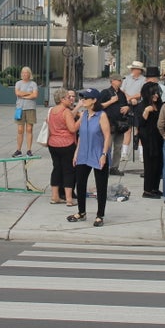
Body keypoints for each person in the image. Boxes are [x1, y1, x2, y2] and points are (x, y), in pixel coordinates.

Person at [68, 88, 112, 227]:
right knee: (80, 183)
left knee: (101, 185)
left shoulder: (101, 115)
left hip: (98, 153)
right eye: (82, 97)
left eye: (86, 98)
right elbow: (80, 135)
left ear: (94, 100)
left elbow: (107, 136)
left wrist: (104, 154)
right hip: (83, 154)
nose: (83, 100)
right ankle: (81, 212)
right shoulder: (84, 114)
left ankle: (100, 215)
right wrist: (76, 153)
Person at [47, 88, 79, 206]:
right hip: (66, 144)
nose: (70, 99)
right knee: (68, 171)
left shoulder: (51, 111)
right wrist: (80, 120)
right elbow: (72, 128)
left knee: (56, 169)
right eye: (67, 97)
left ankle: (55, 196)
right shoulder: (66, 112)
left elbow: (48, 123)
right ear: (61, 99)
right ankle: (69, 199)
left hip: (53, 144)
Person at [98, 73, 129, 176]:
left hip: (120, 124)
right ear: (113, 81)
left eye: (121, 80)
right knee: (107, 146)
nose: (121, 82)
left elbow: (126, 105)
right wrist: (111, 101)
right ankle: (105, 166)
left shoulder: (121, 94)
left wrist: (127, 108)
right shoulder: (105, 93)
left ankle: (115, 167)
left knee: (118, 147)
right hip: (109, 124)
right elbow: (98, 106)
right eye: (119, 80)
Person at [138, 81, 164, 198]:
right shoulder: (142, 105)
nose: (156, 96)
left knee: (159, 163)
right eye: (153, 94)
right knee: (149, 164)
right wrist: (146, 112)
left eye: (157, 93)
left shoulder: (159, 105)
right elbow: (140, 123)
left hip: (159, 137)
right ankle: (147, 190)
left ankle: (155, 187)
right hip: (148, 138)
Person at [120, 60, 147, 161]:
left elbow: (143, 92)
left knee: (139, 129)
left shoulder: (143, 80)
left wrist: (133, 98)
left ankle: (141, 154)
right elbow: (122, 90)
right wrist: (129, 98)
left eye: (134, 69)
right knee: (127, 129)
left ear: (139, 70)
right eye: (132, 68)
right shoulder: (126, 79)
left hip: (139, 105)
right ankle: (124, 153)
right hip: (128, 104)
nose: (132, 70)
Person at [13, 66, 39, 157]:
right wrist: (29, 94)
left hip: (30, 108)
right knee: (20, 130)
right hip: (20, 108)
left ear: (29, 74)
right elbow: (17, 93)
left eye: (26, 72)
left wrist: (23, 95)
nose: (25, 74)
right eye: (23, 72)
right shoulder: (18, 83)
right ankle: (18, 150)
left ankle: (29, 150)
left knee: (29, 129)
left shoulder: (33, 84)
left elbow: (35, 95)